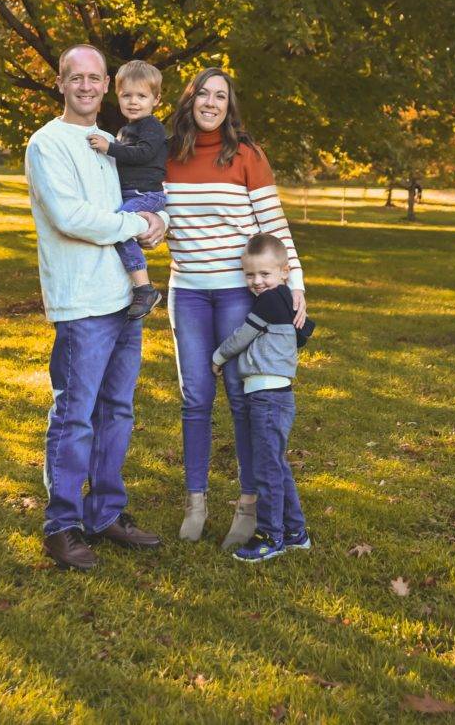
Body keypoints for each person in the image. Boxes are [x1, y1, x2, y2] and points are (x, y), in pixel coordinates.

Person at [24, 45, 167, 570]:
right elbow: (72, 217)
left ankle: (106, 513)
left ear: (107, 84)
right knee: (75, 415)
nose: (85, 87)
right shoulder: (47, 144)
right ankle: (62, 524)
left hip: (125, 300)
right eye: (75, 78)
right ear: (61, 83)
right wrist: (135, 225)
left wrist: (157, 226)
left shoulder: (113, 142)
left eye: (94, 78)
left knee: (118, 413)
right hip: (81, 302)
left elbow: (142, 192)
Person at [164, 67, 307, 550]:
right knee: (195, 398)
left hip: (235, 292)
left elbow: (274, 224)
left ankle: (249, 506)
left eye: (220, 96)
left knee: (241, 398)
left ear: (229, 105)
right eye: (202, 93)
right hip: (187, 292)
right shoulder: (165, 154)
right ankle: (196, 502)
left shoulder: (247, 155)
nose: (210, 102)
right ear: (189, 100)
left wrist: (297, 286)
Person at [211, 233, 315, 563]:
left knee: (267, 471)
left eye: (265, 274)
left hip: (267, 398)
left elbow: (242, 337)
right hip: (275, 395)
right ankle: (296, 532)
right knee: (276, 466)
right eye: (250, 275)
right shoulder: (282, 300)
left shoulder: (270, 301)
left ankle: (271, 535)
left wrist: (218, 357)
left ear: (285, 272)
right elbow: (303, 333)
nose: (257, 282)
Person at [86, 60, 169, 319]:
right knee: (121, 230)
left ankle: (145, 288)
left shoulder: (152, 127)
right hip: (132, 193)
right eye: (127, 96)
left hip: (147, 194)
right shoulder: (125, 130)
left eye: (142, 96)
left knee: (120, 227)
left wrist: (109, 147)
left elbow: (143, 153)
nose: (134, 102)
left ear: (156, 99)